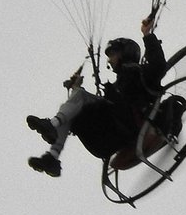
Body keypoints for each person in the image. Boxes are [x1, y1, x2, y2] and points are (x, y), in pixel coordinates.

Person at [27, 16, 167, 178]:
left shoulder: (143, 74)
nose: (109, 59)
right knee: (73, 107)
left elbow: (159, 65)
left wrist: (147, 34)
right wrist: (76, 88)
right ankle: (52, 158)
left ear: (125, 53)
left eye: (113, 54)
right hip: (104, 136)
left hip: (123, 128)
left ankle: (52, 125)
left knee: (79, 97)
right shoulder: (118, 86)